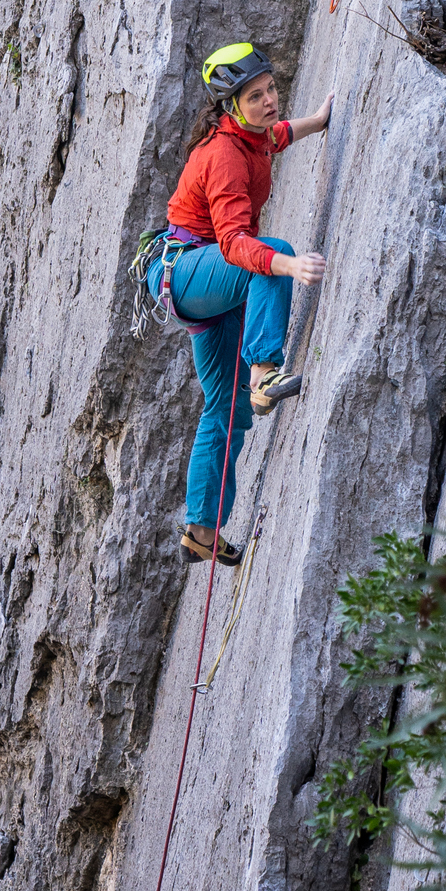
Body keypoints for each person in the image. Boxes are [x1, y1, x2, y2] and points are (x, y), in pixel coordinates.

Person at [145, 43, 332, 563]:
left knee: (223, 408)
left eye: (271, 88)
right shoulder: (223, 155)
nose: (270, 100)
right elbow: (232, 245)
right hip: (187, 270)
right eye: (256, 96)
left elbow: (275, 136)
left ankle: (201, 531)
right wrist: (288, 265)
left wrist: (317, 120)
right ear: (231, 107)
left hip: (200, 282)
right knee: (270, 253)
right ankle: (265, 373)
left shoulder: (248, 135)